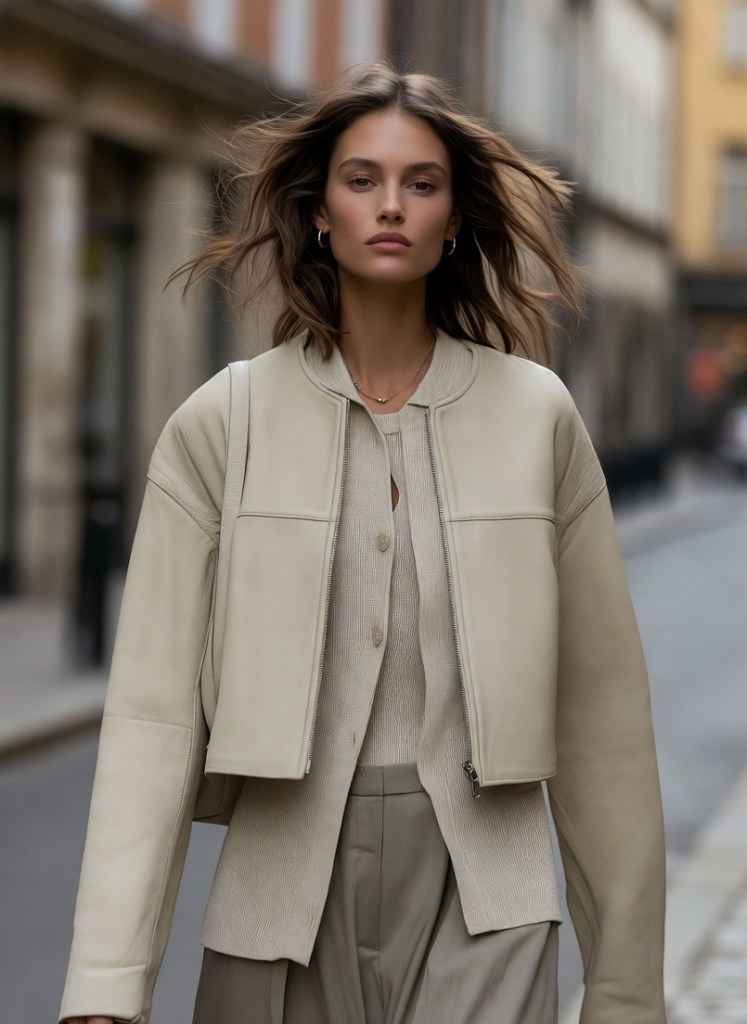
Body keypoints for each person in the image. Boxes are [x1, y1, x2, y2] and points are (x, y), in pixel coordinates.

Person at [60, 61, 666, 1024]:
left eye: (421, 184)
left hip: (491, 898)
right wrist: (104, 985)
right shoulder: (223, 422)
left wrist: (627, 993)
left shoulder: (535, 418)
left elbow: (603, 721)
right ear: (318, 210)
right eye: (362, 180)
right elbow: (153, 720)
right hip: (277, 903)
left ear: (455, 216)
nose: (392, 205)